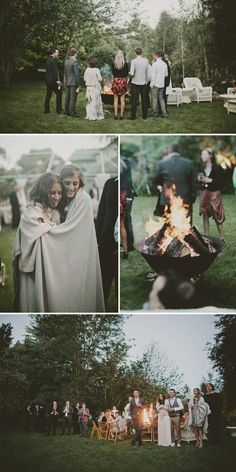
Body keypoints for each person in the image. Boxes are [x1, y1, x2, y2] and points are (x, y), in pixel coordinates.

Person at [13, 167, 105, 312]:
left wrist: (49, 227)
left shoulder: (82, 200)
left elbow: (66, 232)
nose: (57, 196)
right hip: (32, 270)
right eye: (66, 183)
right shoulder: (33, 211)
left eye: (75, 183)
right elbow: (41, 231)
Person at [154, 143, 198, 221]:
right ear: (179, 151)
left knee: (169, 225)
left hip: (168, 199)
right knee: (185, 224)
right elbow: (194, 183)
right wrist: (192, 198)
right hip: (185, 199)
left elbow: (156, 180)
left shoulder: (162, 163)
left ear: (170, 151)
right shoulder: (188, 163)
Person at [96, 176, 118, 307]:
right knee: (104, 281)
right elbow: (101, 212)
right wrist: (98, 239)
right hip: (106, 242)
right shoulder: (110, 183)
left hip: (121, 242)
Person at [198, 148, 225, 239]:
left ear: (210, 155)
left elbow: (222, 182)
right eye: (202, 155)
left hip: (214, 194)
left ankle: (221, 238)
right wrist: (198, 179)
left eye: (204, 154)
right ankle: (206, 237)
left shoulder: (217, 167)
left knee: (217, 215)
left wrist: (209, 180)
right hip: (204, 194)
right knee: (205, 216)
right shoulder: (201, 167)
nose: (202, 156)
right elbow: (198, 180)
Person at [129, 48, 149, 120]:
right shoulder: (146, 61)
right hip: (143, 83)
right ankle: (144, 116)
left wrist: (129, 75)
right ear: (142, 53)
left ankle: (133, 116)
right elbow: (148, 72)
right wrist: (147, 80)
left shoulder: (133, 61)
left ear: (135, 53)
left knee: (134, 100)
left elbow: (132, 73)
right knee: (144, 100)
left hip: (135, 83)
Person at [111, 50, 129, 119]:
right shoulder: (125, 64)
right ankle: (121, 115)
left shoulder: (113, 63)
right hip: (123, 81)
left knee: (115, 99)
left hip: (116, 81)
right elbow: (127, 73)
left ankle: (115, 115)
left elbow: (112, 73)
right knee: (122, 99)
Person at [150, 51, 168, 118]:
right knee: (161, 98)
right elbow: (166, 74)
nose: (153, 57)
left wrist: (151, 84)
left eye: (153, 56)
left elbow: (153, 75)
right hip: (162, 83)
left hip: (155, 83)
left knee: (154, 98)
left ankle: (155, 112)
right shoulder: (164, 64)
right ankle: (164, 113)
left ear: (156, 55)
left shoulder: (155, 64)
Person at [44, 48, 62, 114]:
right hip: (53, 81)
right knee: (59, 94)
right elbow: (54, 72)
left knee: (48, 95)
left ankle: (46, 110)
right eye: (57, 52)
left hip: (48, 81)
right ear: (53, 53)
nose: (58, 54)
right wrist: (57, 81)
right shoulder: (53, 60)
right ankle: (58, 110)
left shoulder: (48, 60)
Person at [64, 47, 80, 117]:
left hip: (67, 81)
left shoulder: (66, 61)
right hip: (73, 82)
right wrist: (79, 84)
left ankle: (66, 111)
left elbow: (65, 73)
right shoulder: (75, 62)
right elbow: (76, 73)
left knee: (67, 97)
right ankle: (72, 113)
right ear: (75, 54)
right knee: (73, 98)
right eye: (76, 54)